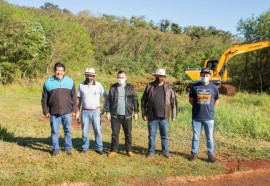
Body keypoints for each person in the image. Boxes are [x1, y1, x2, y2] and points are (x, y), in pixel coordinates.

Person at [41, 61, 77, 156]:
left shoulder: (70, 81)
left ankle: (68, 148)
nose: (59, 72)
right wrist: (45, 111)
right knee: (54, 132)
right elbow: (44, 99)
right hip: (54, 112)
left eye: (61, 71)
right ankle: (55, 149)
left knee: (68, 131)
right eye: (57, 70)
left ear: (64, 71)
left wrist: (74, 110)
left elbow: (74, 97)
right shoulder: (48, 83)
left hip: (67, 112)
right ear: (54, 71)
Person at [141, 68, 177, 158]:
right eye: (158, 75)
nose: (159, 77)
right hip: (152, 116)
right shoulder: (150, 86)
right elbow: (143, 100)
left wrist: (174, 115)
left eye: (161, 76)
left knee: (164, 135)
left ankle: (165, 151)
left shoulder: (169, 87)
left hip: (164, 116)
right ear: (155, 76)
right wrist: (144, 113)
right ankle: (151, 151)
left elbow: (174, 102)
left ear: (164, 77)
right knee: (152, 135)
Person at [188, 68, 220, 163]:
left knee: (209, 137)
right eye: (203, 75)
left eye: (207, 75)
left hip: (209, 118)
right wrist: (199, 107)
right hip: (196, 117)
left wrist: (209, 107)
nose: (205, 77)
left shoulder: (214, 87)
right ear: (200, 75)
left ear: (210, 76)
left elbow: (217, 100)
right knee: (196, 137)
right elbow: (191, 100)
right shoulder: (194, 87)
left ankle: (210, 155)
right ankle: (194, 154)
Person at [106, 70, 139, 157]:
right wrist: (108, 112)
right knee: (114, 134)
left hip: (127, 115)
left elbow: (135, 99)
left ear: (126, 78)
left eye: (122, 77)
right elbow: (109, 100)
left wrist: (135, 112)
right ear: (117, 78)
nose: (120, 79)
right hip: (115, 115)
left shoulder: (130, 88)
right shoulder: (113, 87)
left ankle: (129, 150)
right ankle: (114, 150)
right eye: (119, 78)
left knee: (128, 134)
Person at [77, 68, 107, 155]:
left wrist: (103, 108)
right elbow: (78, 99)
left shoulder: (98, 85)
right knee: (85, 130)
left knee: (97, 130)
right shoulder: (81, 85)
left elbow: (105, 96)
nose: (89, 77)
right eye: (88, 75)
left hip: (96, 111)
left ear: (93, 76)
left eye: (91, 75)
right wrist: (77, 110)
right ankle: (85, 147)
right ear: (85, 75)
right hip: (85, 111)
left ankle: (99, 148)